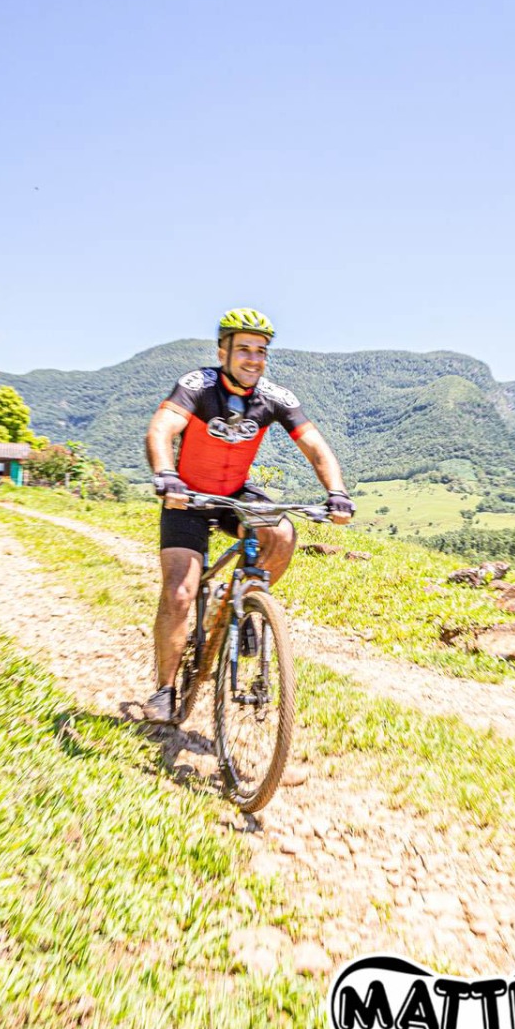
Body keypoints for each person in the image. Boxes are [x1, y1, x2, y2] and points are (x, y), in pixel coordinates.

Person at [141, 308, 353, 721]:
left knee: (282, 533)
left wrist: (337, 492)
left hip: (234, 493)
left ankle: (241, 597)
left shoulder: (274, 397)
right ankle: (165, 690)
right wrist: (166, 474)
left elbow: (315, 447)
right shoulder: (197, 386)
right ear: (223, 352)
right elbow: (161, 428)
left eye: (261, 351)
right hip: (186, 497)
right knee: (180, 594)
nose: (253, 359)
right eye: (244, 349)